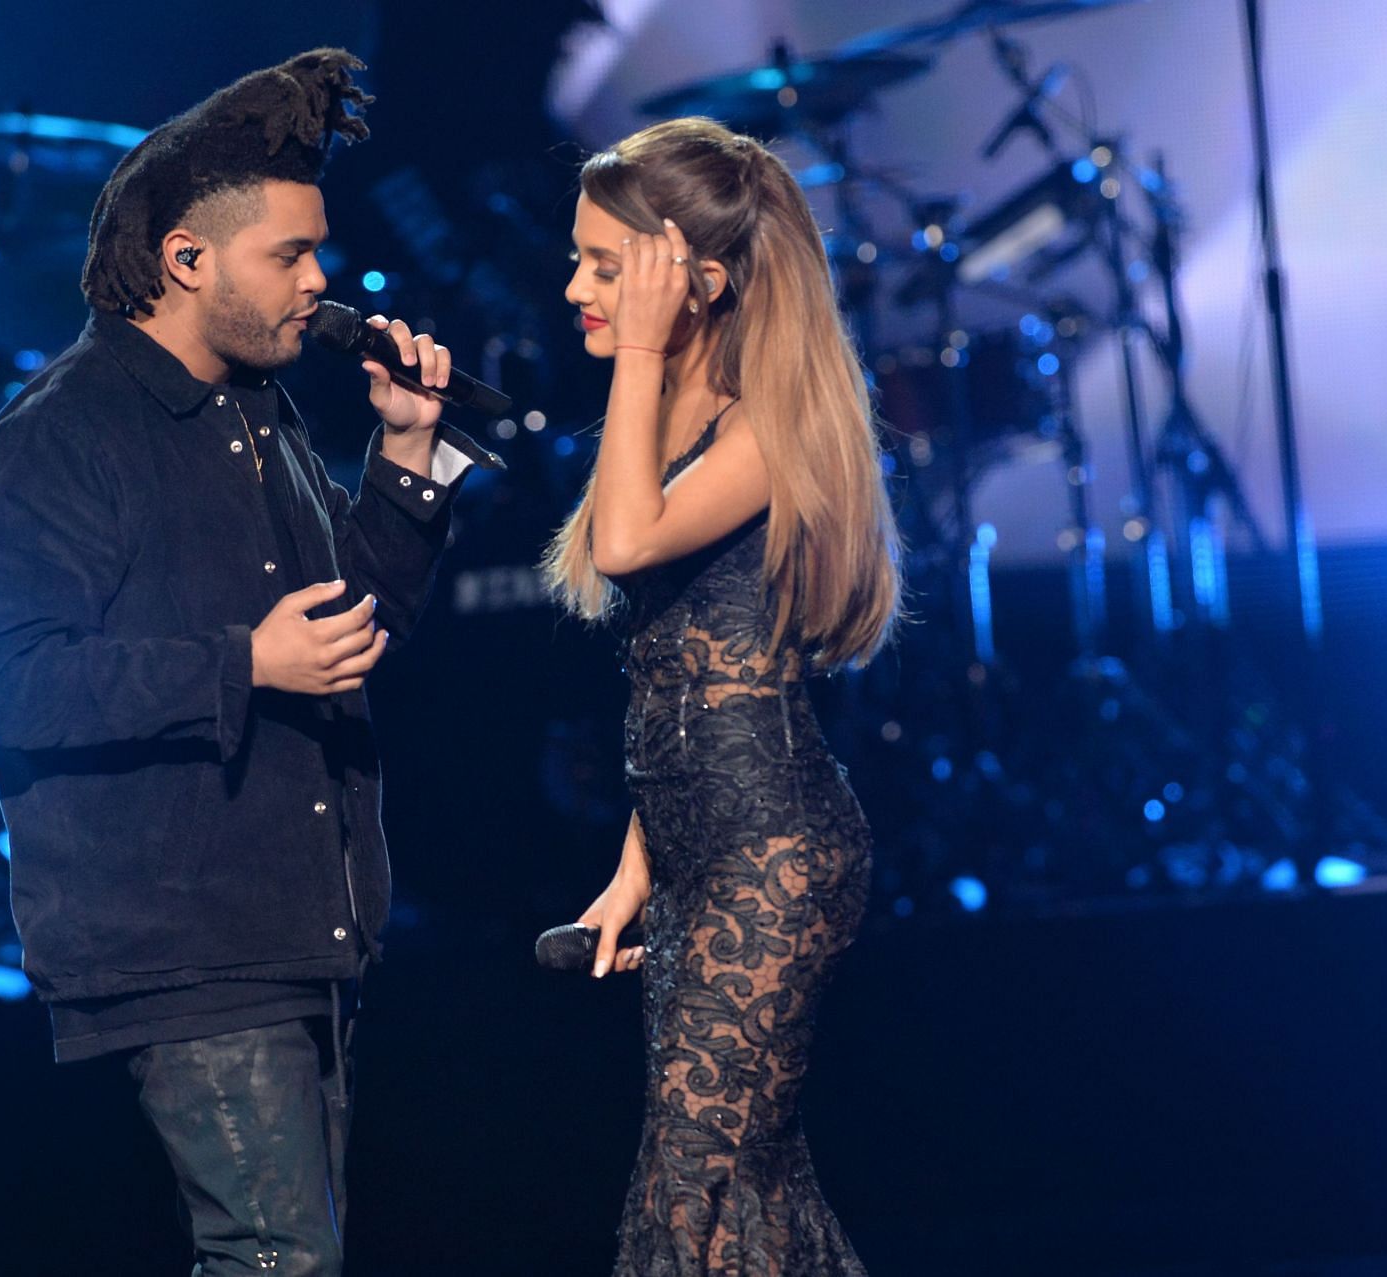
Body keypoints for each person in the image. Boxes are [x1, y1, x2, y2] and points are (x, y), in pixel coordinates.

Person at [0, 50, 497, 1277]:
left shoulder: (265, 413)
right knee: (276, 1259)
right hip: (184, 940)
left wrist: (408, 462)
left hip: (304, 919)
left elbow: (346, 634)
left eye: (318, 253)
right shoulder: (63, 437)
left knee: (289, 1258)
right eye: (289, 257)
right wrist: (241, 662)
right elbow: (8, 684)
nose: (320, 282)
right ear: (188, 261)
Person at [541, 117, 902, 1276]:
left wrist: (639, 354)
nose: (576, 289)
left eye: (606, 266)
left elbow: (630, 541)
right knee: (752, 1189)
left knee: (690, 1194)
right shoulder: (674, 417)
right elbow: (685, 678)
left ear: (692, 280)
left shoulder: (765, 422)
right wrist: (637, 870)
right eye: (581, 261)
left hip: (777, 857)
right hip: (705, 855)